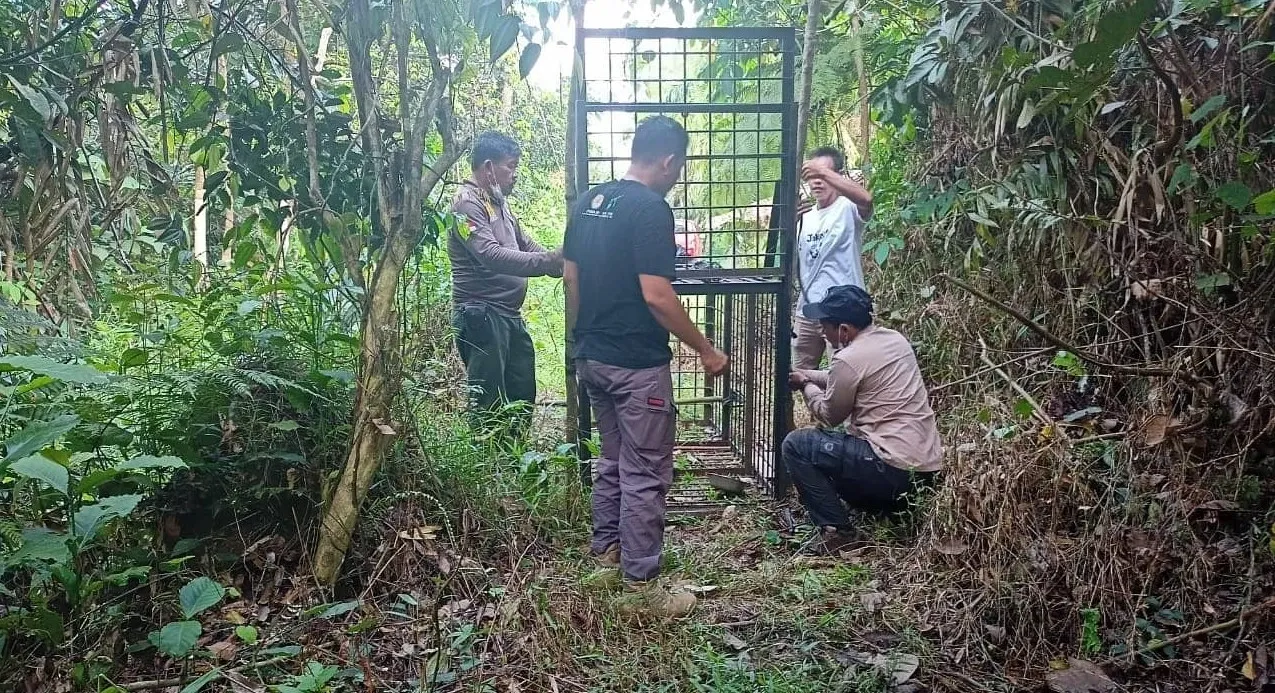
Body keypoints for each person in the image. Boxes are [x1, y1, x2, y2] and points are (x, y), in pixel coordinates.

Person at [563, 115, 729, 617]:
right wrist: (705, 348)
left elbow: (570, 278)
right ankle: (640, 582)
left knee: (612, 460)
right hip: (635, 364)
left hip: (592, 356)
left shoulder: (590, 202)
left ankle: (606, 554)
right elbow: (656, 294)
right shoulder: (651, 210)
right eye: (679, 167)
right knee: (647, 469)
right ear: (669, 160)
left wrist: (577, 343)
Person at [784, 284, 943, 553]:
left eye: (825, 326)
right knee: (842, 448)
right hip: (925, 475)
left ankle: (838, 531)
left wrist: (805, 385)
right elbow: (845, 379)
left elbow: (829, 414)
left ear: (844, 329)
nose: (822, 332)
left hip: (890, 471)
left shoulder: (848, 358)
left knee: (796, 445)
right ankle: (884, 512)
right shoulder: (894, 339)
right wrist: (808, 374)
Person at [449, 131, 563, 432]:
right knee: (488, 402)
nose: (515, 174)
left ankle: (514, 459)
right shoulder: (465, 204)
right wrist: (547, 262)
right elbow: (489, 254)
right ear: (489, 167)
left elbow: (524, 243)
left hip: (508, 315)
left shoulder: (498, 201)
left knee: (521, 389)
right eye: (510, 166)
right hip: (482, 315)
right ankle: (488, 467)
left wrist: (559, 263)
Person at [794, 146, 874, 370]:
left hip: (842, 312)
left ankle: (836, 405)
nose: (817, 182)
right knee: (799, 374)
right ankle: (820, 406)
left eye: (823, 176)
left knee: (844, 371)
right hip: (808, 310)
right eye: (812, 177)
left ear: (836, 175)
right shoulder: (805, 217)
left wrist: (821, 171)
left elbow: (866, 199)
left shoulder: (848, 209)